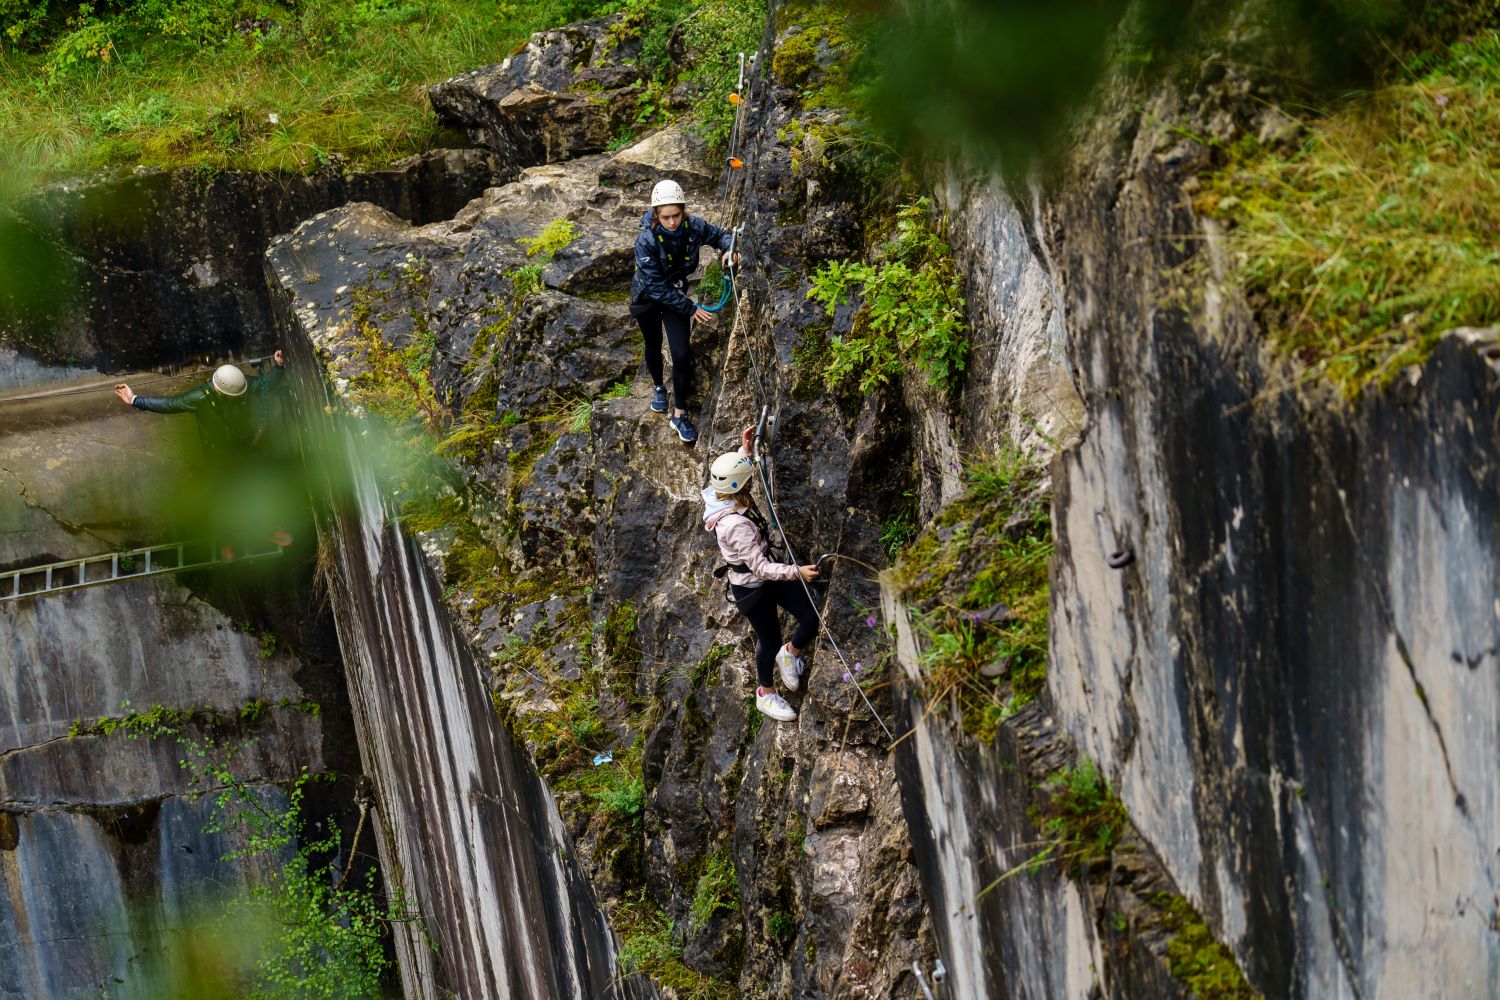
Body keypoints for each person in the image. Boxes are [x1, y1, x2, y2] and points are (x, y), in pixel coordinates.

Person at [115, 352, 293, 558]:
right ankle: (227, 541)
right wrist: (135, 400)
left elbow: (264, 385)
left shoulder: (239, 386)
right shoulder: (199, 397)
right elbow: (171, 404)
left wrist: (279, 366)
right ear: (220, 391)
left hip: (243, 447)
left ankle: (267, 530)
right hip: (217, 454)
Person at [702, 424, 820, 721]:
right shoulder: (735, 525)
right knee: (768, 641)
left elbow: (733, 478)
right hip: (753, 587)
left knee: (811, 616)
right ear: (741, 487)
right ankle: (765, 695)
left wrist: (745, 451)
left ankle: (790, 654)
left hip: (763, 576)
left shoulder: (723, 493)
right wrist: (798, 572)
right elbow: (762, 568)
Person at [630, 179, 736, 444]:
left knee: (681, 353)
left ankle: (679, 413)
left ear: (683, 210)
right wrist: (690, 308)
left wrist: (728, 251)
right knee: (653, 344)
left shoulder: (694, 226)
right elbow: (655, 286)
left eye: (676, 215)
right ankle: (658, 387)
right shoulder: (646, 241)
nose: (672, 222)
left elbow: (722, 234)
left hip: (675, 294)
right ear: (656, 215)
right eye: (665, 217)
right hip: (648, 297)